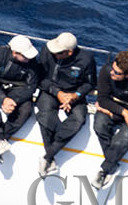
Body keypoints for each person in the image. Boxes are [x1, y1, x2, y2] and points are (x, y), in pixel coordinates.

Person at [35, 32, 98, 178]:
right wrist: (57, 93)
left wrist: (75, 96)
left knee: (78, 119)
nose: (53, 53)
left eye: (58, 52)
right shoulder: (47, 51)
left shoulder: (86, 59)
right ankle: (50, 157)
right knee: (46, 112)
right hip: (50, 91)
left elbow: (90, 83)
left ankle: (48, 156)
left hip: (74, 94)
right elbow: (40, 78)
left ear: (69, 52)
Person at [90, 50, 128, 188]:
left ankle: (105, 170)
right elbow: (103, 99)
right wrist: (122, 113)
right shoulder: (106, 71)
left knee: (124, 136)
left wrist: (117, 114)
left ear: (127, 75)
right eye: (113, 68)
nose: (112, 73)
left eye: (117, 73)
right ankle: (112, 163)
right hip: (118, 109)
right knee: (100, 123)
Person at [0, 35, 41, 160]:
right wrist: (2, 99)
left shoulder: (32, 63)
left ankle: (2, 137)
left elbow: (31, 86)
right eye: (25, 56)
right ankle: (0, 136)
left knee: (26, 110)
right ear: (15, 52)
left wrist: (14, 101)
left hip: (17, 89)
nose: (28, 58)